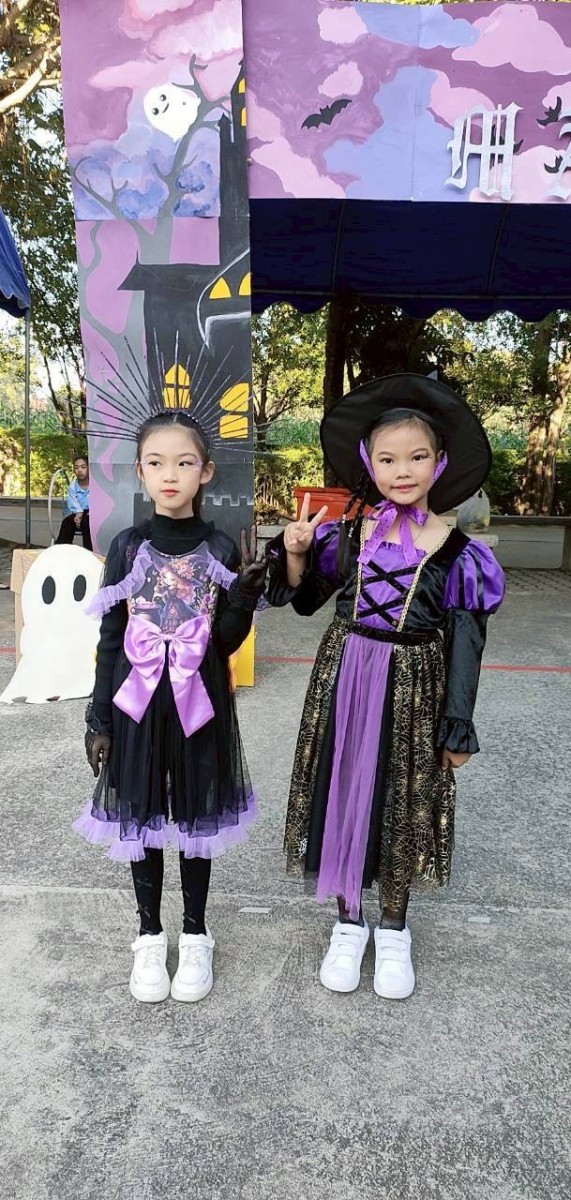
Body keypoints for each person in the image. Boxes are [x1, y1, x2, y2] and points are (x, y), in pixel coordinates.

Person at [267, 373, 505, 1000]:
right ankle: (348, 921)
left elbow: (467, 644)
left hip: (413, 687)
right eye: (388, 459)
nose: (403, 471)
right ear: (368, 463)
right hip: (344, 677)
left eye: (417, 457)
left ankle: (395, 926)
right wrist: (296, 552)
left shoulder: (458, 553)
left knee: (403, 795)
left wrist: (457, 722)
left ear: (440, 462)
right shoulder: (349, 533)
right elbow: (305, 600)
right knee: (344, 788)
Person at [73, 410, 266, 1004]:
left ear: (204, 471)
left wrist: (244, 595)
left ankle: (197, 934)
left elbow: (225, 640)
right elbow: (111, 638)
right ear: (140, 471)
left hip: (198, 703)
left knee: (195, 817)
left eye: (184, 462)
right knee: (144, 816)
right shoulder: (128, 547)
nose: (170, 474)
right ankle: (150, 935)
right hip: (136, 707)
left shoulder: (219, 547)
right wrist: (99, 718)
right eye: (156, 463)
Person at [56, 454, 92, 551]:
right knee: (67, 522)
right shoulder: (73, 487)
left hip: (93, 513)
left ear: (89, 468)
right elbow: (73, 502)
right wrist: (78, 514)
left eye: (83, 467)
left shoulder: (95, 484)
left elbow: (98, 501)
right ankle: (61, 550)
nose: (79, 470)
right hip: (79, 512)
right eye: (76, 468)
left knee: (86, 522)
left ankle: (89, 552)